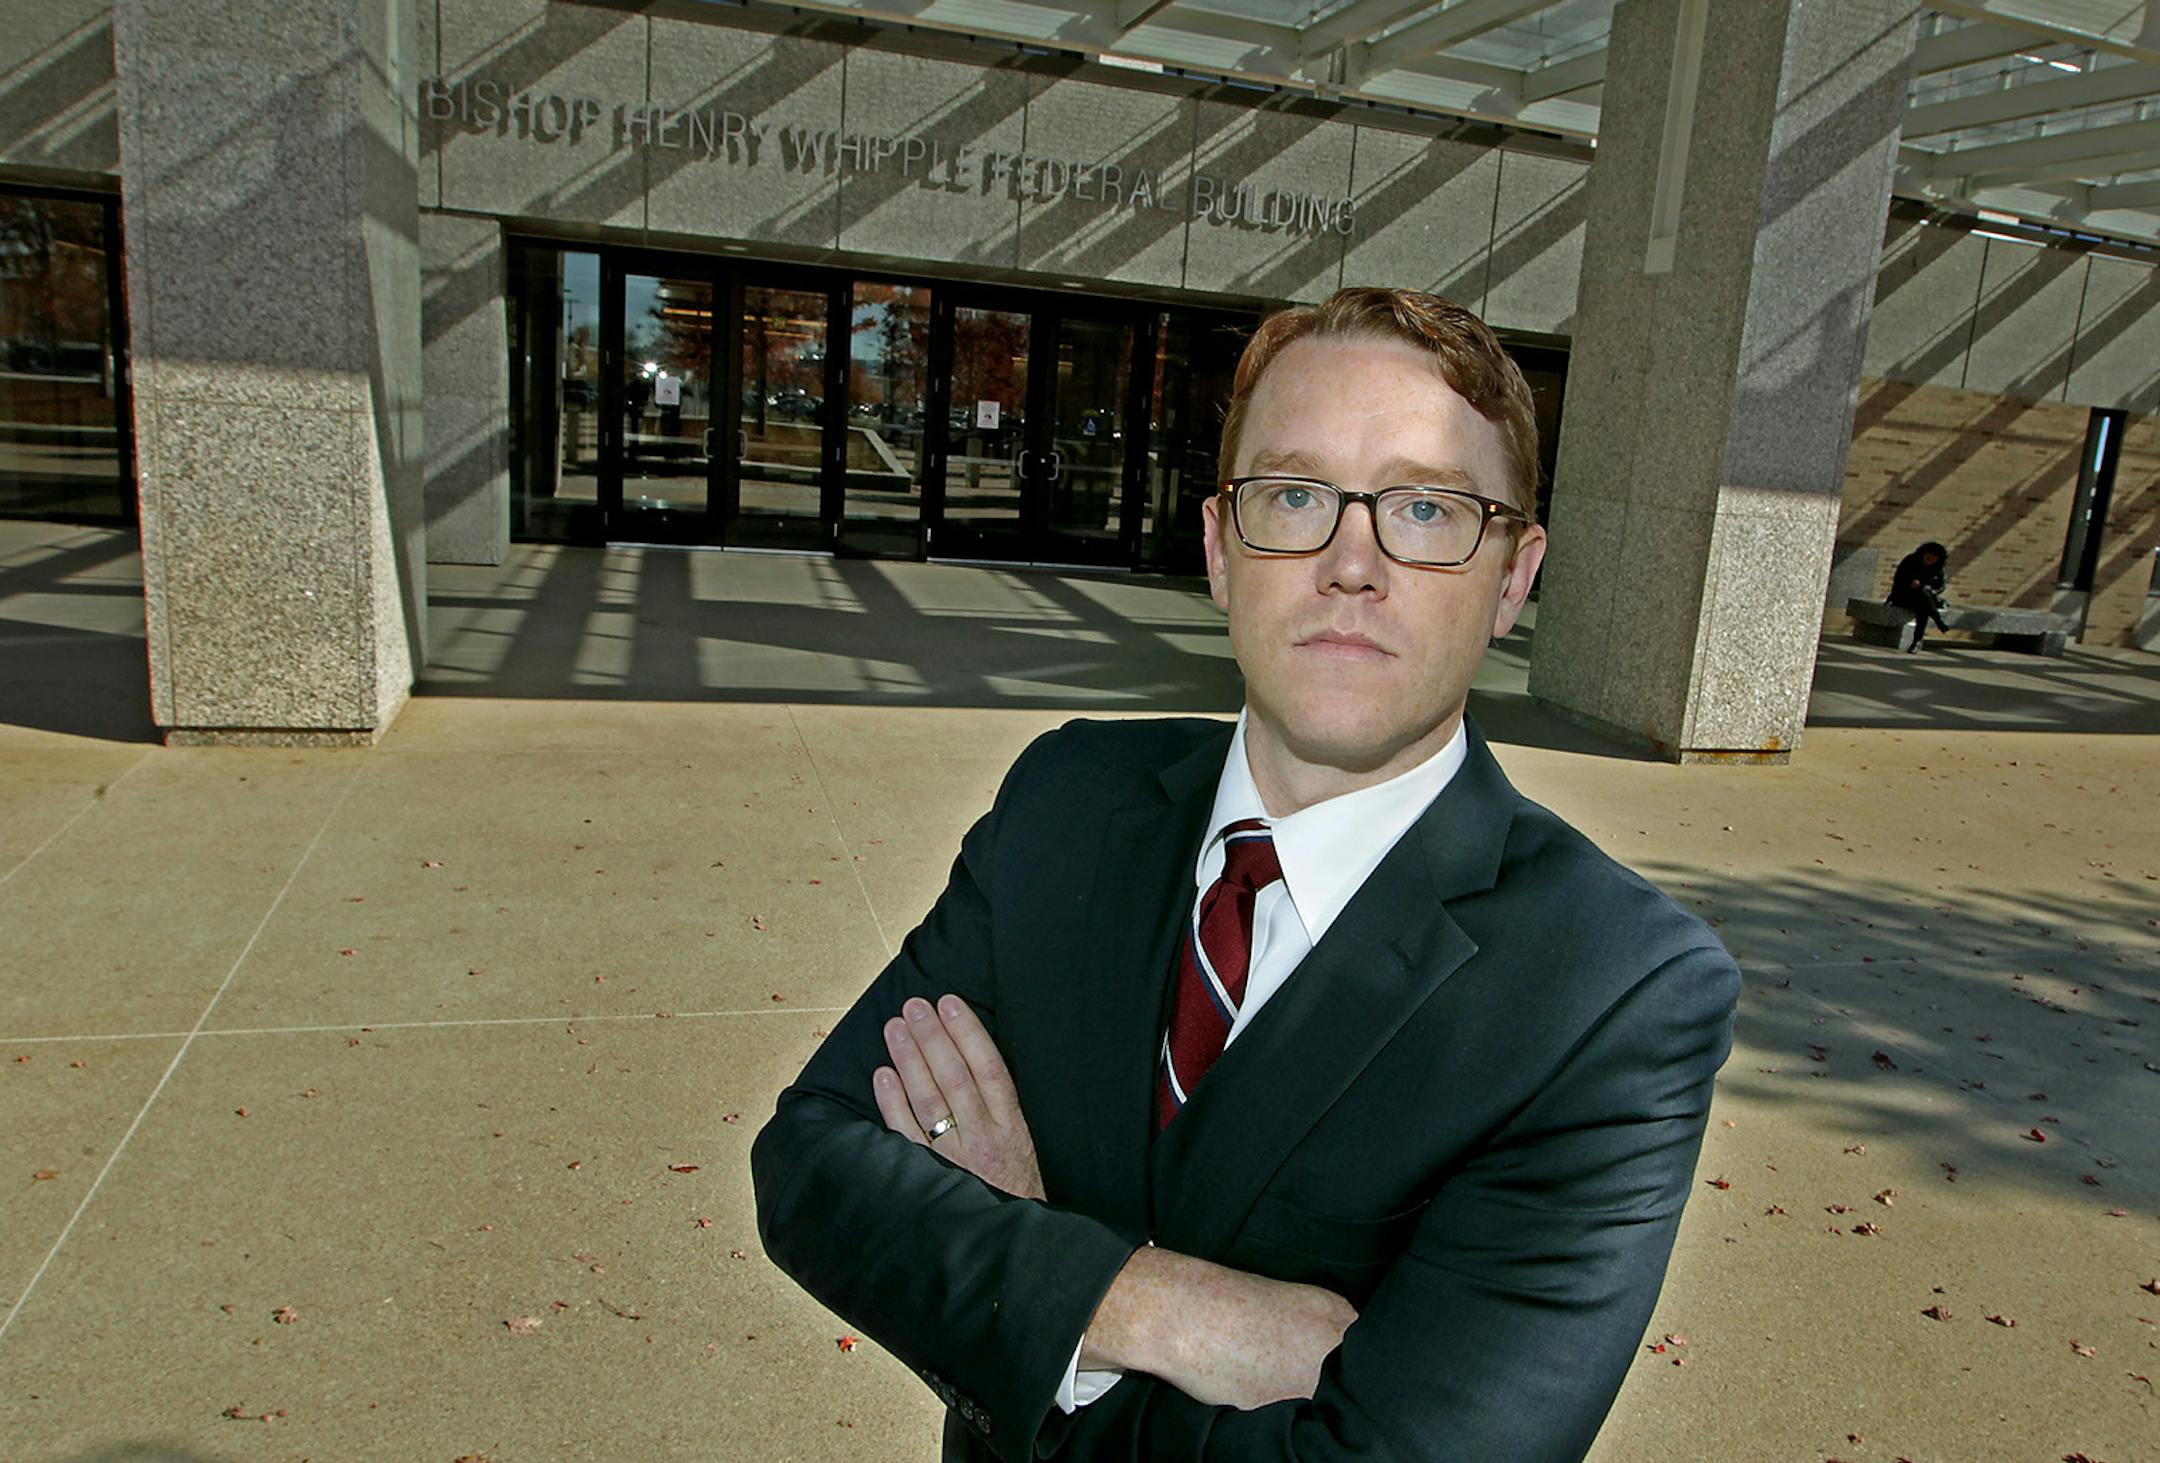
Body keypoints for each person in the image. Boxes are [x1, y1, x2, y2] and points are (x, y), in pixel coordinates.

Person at [752, 288, 1742, 1462]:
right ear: (1222, 547)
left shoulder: (1610, 989)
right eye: (1296, 495)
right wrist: (1153, 1303)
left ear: (1513, 576)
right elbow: (813, 1160)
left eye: (1426, 508)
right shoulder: (1067, 801)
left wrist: (1023, 1282)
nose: (1350, 562)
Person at [1888, 541, 1951, 651]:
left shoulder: (1938, 569)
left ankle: (1916, 641)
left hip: (1925, 599)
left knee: (1923, 604)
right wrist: (1910, 583)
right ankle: (1936, 622)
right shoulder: (1910, 561)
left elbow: (1941, 586)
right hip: (1905, 596)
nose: (1929, 562)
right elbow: (1898, 580)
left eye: (1932, 560)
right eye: (1928, 558)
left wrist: (1929, 589)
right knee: (1923, 601)